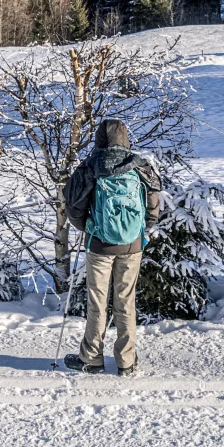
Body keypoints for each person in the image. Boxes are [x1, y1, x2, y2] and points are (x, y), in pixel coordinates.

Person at [63, 118, 160, 376]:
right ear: (125, 138)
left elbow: (73, 207)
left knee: (97, 302)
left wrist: (89, 227)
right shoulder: (139, 166)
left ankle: (91, 358)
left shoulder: (90, 166)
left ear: (99, 139)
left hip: (99, 246)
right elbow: (153, 207)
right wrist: (140, 229)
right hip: (132, 245)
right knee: (125, 301)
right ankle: (126, 362)